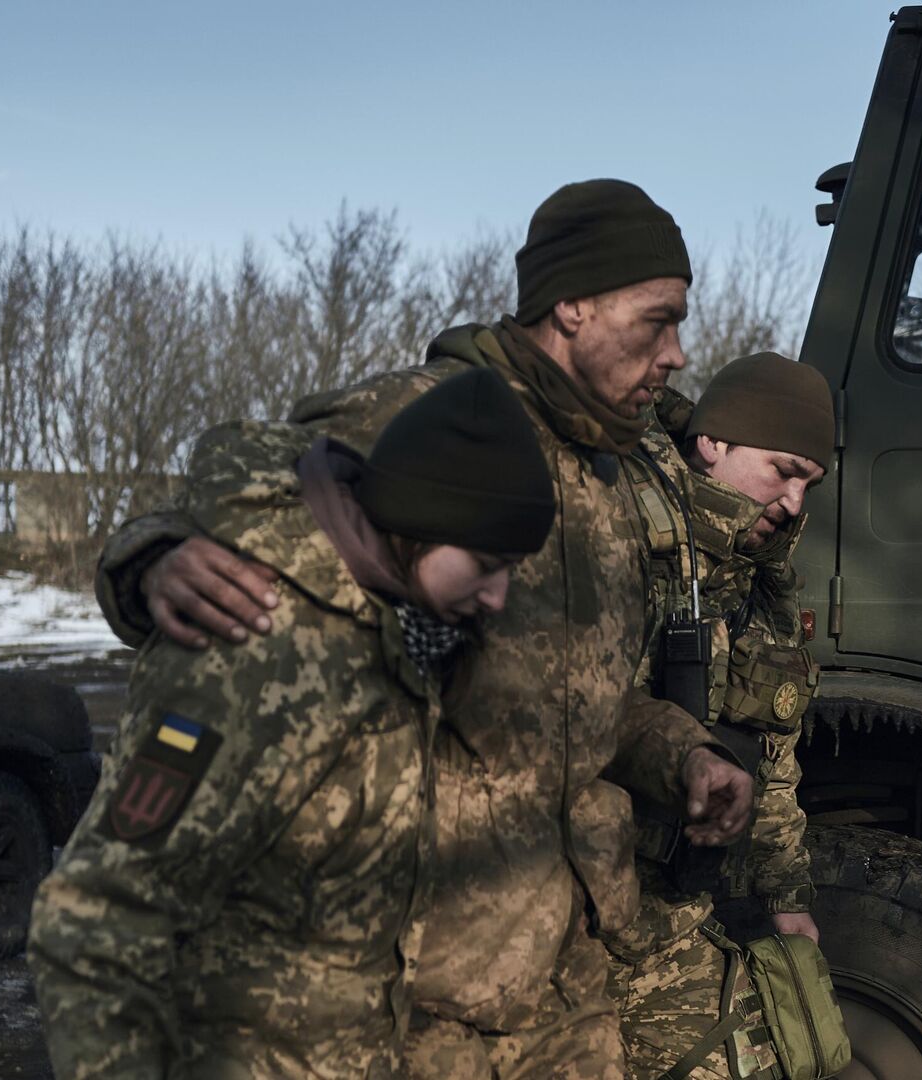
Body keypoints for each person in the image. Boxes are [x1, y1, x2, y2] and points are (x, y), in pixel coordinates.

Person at [88, 179, 754, 1079]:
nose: (678, 352)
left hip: (568, 981)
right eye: (656, 319)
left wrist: (685, 758)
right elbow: (230, 488)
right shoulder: (433, 418)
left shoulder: (613, 473)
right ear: (573, 304)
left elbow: (584, 696)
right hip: (423, 998)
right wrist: (153, 559)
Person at [29, 368, 557, 1079]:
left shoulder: (401, 633)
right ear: (415, 522)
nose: (498, 598)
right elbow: (97, 920)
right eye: (486, 565)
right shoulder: (257, 651)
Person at [608, 352, 834, 1080]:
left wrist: (786, 897)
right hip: (571, 903)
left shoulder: (759, 591)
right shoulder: (617, 536)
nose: (794, 501)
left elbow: (772, 765)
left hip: (668, 913)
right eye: (782, 470)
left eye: (809, 483)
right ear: (714, 443)